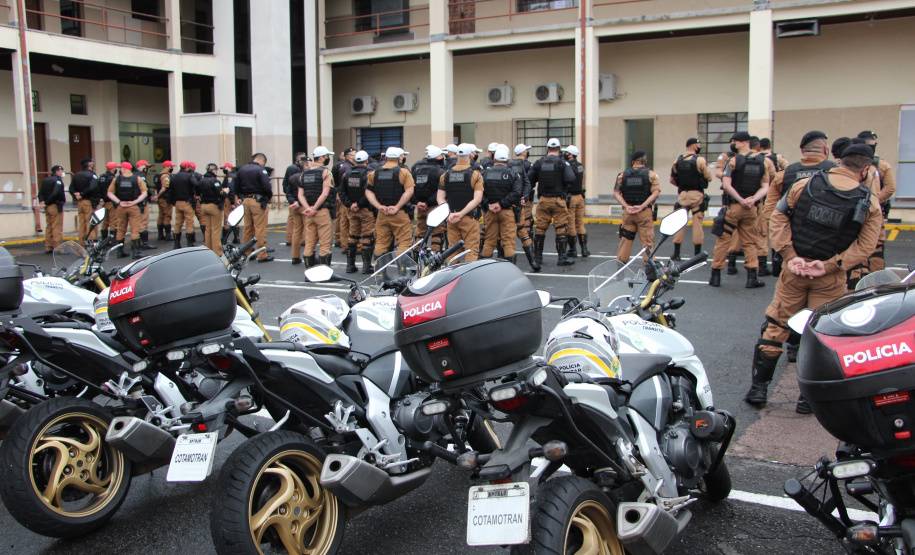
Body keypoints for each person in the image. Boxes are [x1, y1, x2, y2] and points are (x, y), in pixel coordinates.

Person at [745, 143, 882, 413]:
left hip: (794, 271)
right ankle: (808, 400)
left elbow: (778, 216)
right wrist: (832, 265)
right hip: (829, 277)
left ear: (839, 160)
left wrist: (788, 254)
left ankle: (758, 391)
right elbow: (866, 247)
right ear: (865, 169)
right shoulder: (869, 201)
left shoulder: (805, 184)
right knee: (821, 335)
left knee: (776, 326)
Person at [762, 131, 836, 278]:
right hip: (828, 253)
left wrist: (785, 249)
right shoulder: (837, 172)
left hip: (794, 252)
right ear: (826, 150)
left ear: (802, 151)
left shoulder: (785, 174)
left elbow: (770, 212)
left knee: (788, 297)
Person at [708, 131, 771, 288]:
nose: (733, 144)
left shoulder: (733, 161)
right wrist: (752, 200)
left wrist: (741, 200)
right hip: (751, 208)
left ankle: (715, 275)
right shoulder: (763, 161)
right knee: (750, 242)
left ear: (743, 143)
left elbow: (727, 185)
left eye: (735, 141)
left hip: (734, 207)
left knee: (724, 239)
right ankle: (752, 278)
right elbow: (765, 187)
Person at [530, 138, 576, 267]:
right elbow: (571, 178)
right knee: (561, 228)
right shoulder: (563, 163)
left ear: (547, 148)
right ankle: (562, 258)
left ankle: (538, 258)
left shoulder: (539, 163)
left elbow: (530, 179)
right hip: (558, 200)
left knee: (540, 228)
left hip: (543, 200)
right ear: (560, 148)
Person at [437, 143, 484, 262]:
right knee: (471, 250)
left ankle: (452, 277)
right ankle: (469, 279)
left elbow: (440, 198)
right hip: (469, 218)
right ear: (470, 156)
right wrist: (461, 213)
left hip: (451, 218)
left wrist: (449, 214)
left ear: (457, 155)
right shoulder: (475, 175)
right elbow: (477, 199)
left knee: (452, 250)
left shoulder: (446, 174)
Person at [365, 147, 415, 259]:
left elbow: (368, 191)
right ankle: (402, 273)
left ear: (386, 158)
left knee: (381, 243)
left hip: (382, 214)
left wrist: (379, 206)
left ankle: (380, 273)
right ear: (398, 159)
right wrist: (397, 207)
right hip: (400, 213)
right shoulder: (404, 172)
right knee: (404, 243)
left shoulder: (374, 173)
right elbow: (410, 191)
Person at [857, 130, 895, 273]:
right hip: (873, 213)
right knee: (873, 248)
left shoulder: (880, 164)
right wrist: (873, 201)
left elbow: (890, 187)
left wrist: (872, 201)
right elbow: (890, 188)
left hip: (867, 212)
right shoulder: (880, 164)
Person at [614, 151, 661, 264]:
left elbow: (616, 193)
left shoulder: (622, 175)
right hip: (644, 212)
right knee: (647, 242)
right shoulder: (651, 174)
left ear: (633, 161)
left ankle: (620, 267)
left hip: (628, 212)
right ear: (645, 161)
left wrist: (626, 206)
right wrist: (642, 206)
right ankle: (649, 267)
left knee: (626, 240)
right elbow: (656, 192)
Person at [670, 138, 712, 261]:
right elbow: (708, 177)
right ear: (694, 146)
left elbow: (672, 179)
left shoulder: (677, 160)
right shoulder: (699, 160)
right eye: (698, 145)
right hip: (696, 195)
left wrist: (683, 186)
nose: (700, 147)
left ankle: (676, 253)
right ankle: (697, 254)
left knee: (680, 223)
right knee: (697, 223)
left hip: (683, 195)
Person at [295, 146, 335, 266]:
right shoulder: (326, 172)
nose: (328, 158)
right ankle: (324, 273)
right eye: (327, 156)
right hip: (321, 210)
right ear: (322, 157)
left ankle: (309, 271)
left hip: (308, 212)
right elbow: (325, 194)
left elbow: (300, 195)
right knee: (325, 243)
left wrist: (308, 208)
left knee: (309, 243)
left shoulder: (304, 173)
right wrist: (315, 208)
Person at [339, 150, 375, 274]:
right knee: (367, 237)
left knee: (352, 236)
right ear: (366, 160)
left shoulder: (347, 174)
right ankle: (366, 266)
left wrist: (350, 204)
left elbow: (342, 192)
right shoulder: (369, 174)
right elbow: (370, 192)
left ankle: (350, 265)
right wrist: (359, 204)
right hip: (365, 209)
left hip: (352, 210)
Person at [107, 161, 149, 260]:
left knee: (121, 228)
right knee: (135, 229)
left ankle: (120, 251)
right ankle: (136, 252)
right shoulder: (137, 178)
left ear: (124, 169)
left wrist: (119, 202)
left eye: (121, 168)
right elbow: (144, 193)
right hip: (133, 207)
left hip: (121, 207)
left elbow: (109, 193)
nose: (120, 170)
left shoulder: (116, 179)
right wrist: (135, 202)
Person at [410, 145, 447, 255]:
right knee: (437, 233)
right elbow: (441, 190)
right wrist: (428, 203)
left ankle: (417, 257)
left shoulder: (416, 169)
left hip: (420, 207)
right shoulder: (439, 171)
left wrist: (417, 202)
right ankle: (435, 259)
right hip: (435, 207)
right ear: (437, 157)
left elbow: (410, 188)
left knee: (420, 233)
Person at [237, 153, 274, 263]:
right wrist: (268, 196)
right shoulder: (260, 170)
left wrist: (241, 197)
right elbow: (267, 186)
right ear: (261, 161)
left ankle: (247, 253)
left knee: (248, 228)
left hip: (246, 200)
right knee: (260, 228)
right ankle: (261, 254)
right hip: (258, 200)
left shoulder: (242, 169)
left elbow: (236, 186)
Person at [509, 144, 539, 272]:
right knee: (523, 230)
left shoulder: (507, 167)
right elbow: (528, 182)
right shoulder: (524, 166)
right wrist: (524, 197)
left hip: (504, 205)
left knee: (494, 237)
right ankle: (533, 261)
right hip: (518, 204)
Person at [562, 145, 589, 258]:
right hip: (580, 197)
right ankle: (584, 249)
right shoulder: (580, 166)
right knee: (580, 223)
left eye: (566, 153)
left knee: (571, 223)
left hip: (571, 197)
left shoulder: (569, 166)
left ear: (571, 154)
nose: (564, 154)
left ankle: (573, 249)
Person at [196, 164, 229, 256]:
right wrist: (225, 192)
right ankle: (217, 252)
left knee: (208, 229)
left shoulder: (201, 181)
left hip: (204, 206)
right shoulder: (215, 181)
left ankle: (208, 249)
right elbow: (221, 193)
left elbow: (197, 192)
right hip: (214, 206)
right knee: (215, 229)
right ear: (214, 171)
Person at [68, 157, 99, 245]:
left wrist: (76, 195)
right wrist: (82, 194)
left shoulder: (77, 175)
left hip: (80, 202)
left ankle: (82, 244)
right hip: (89, 201)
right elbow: (92, 187)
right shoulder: (92, 175)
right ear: (90, 165)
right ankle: (91, 244)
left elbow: (71, 188)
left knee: (81, 224)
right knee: (91, 223)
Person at [168, 161, 198, 248]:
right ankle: (189, 243)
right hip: (187, 202)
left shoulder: (174, 177)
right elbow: (196, 184)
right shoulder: (189, 176)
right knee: (189, 222)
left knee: (178, 223)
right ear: (187, 168)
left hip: (178, 202)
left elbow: (170, 191)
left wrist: (172, 201)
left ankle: (176, 243)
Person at [39, 165, 66, 254]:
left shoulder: (45, 180)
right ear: (57, 171)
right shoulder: (58, 181)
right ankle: (58, 247)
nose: (62, 173)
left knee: (49, 226)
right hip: (54, 205)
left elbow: (41, 193)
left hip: (47, 206)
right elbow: (56, 193)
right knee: (57, 226)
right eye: (61, 171)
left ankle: (48, 246)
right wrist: (48, 202)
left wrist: (43, 202)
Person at [332, 148, 355, 249]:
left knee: (341, 219)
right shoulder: (347, 167)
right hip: (346, 196)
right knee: (347, 220)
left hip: (341, 194)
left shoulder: (342, 166)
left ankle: (341, 241)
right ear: (349, 156)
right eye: (354, 154)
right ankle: (347, 243)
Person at [283, 153, 307, 248]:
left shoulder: (292, 175)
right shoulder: (304, 175)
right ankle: (304, 240)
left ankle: (290, 240)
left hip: (294, 201)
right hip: (302, 202)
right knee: (306, 224)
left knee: (295, 225)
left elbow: (287, 187)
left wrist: (292, 201)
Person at [134, 160, 157, 251]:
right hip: (142, 201)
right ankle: (144, 243)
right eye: (146, 167)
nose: (147, 169)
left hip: (135, 201)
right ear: (140, 166)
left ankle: (135, 242)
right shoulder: (141, 175)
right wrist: (150, 195)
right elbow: (145, 188)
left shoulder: (133, 174)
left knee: (136, 222)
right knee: (143, 221)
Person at [155, 161, 175, 242]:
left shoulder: (158, 175)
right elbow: (164, 188)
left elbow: (156, 188)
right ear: (167, 167)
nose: (172, 168)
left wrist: (157, 196)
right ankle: (168, 234)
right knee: (167, 215)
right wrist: (158, 196)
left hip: (161, 199)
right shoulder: (165, 176)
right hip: (165, 198)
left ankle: (160, 234)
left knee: (161, 215)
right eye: (171, 166)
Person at [98, 162, 119, 240]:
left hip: (104, 202)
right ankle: (112, 240)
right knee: (114, 221)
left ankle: (104, 239)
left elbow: (98, 188)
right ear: (113, 168)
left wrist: (100, 198)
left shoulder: (101, 177)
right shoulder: (112, 178)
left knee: (105, 221)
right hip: (111, 202)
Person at [221, 163, 239, 244]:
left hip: (230, 198)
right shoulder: (235, 175)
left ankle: (224, 239)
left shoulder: (230, 176)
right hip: (235, 197)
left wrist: (232, 201)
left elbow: (230, 188)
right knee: (236, 217)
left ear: (230, 167)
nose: (224, 169)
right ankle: (237, 237)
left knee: (227, 217)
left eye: (225, 168)